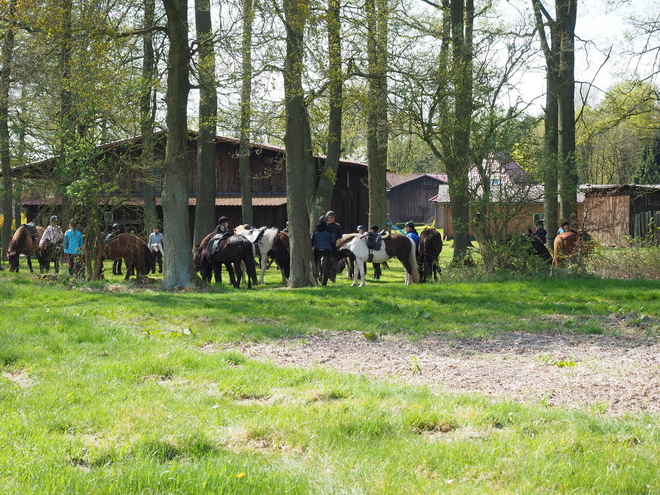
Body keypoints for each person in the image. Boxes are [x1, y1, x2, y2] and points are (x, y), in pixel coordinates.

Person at [311, 215, 336, 285]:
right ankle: (324, 282)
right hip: (327, 250)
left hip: (317, 250)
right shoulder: (329, 231)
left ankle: (315, 279)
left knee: (316, 265)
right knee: (325, 267)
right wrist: (335, 252)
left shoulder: (315, 231)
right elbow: (333, 242)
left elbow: (312, 240)